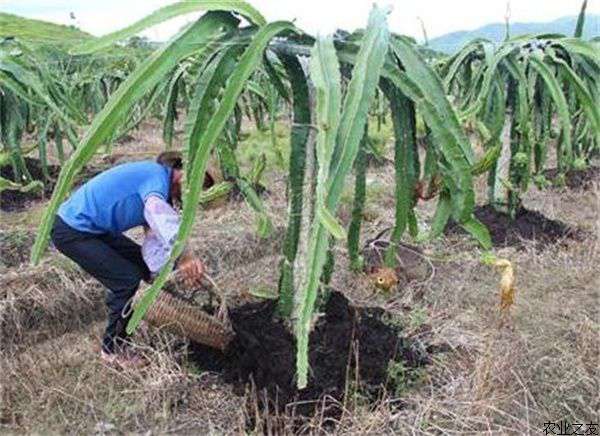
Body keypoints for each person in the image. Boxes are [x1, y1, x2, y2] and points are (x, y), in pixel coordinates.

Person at [51, 151, 205, 368]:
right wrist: (185, 257)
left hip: (95, 230)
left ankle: (123, 317)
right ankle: (112, 349)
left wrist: (168, 272)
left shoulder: (160, 188)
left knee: (141, 269)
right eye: (200, 188)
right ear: (184, 177)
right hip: (73, 230)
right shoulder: (157, 181)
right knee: (128, 282)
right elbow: (161, 219)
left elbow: (154, 244)